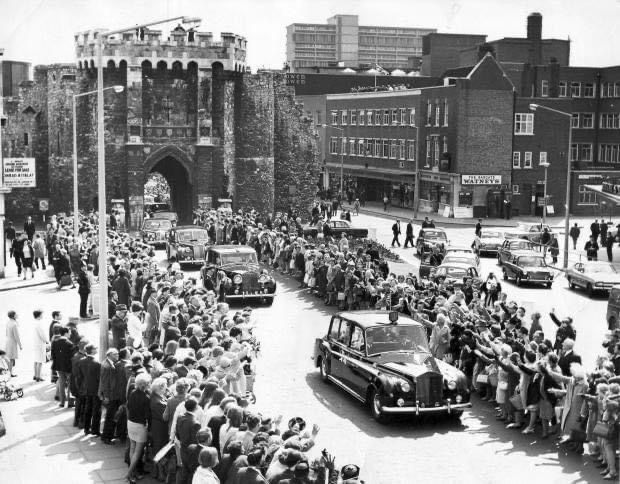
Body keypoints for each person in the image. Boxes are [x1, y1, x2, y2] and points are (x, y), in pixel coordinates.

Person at [126, 373, 151, 484]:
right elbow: (147, 415)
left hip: (130, 423)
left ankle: (132, 473)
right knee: (138, 452)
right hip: (140, 426)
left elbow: (128, 406)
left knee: (132, 449)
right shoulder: (146, 398)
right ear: (145, 385)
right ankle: (129, 474)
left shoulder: (132, 393)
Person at [77, 344, 102, 436]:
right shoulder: (97, 363)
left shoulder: (81, 361)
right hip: (95, 390)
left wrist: (81, 387)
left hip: (86, 389)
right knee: (97, 410)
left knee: (87, 409)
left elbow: (79, 377)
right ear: (92, 351)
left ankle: (86, 428)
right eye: (95, 348)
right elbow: (99, 379)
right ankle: (95, 430)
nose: (97, 349)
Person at [98, 348, 122, 444]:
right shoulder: (108, 366)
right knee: (110, 417)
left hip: (111, 395)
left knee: (110, 416)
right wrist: (106, 396)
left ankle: (107, 435)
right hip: (111, 396)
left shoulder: (107, 363)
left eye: (117, 354)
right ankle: (107, 437)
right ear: (109, 355)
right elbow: (105, 383)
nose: (117, 355)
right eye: (115, 354)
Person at [51, 326, 74, 405]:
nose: (70, 334)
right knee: (71, 384)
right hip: (68, 367)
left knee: (61, 383)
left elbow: (53, 355)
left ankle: (62, 402)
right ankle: (70, 401)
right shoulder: (69, 343)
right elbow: (72, 357)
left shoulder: (55, 342)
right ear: (66, 333)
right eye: (69, 332)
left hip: (59, 366)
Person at [32, 309, 48, 383]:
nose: (42, 315)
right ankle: (38, 376)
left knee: (36, 360)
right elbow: (42, 335)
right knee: (40, 361)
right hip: (40, 344)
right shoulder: (39, 324)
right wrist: (47, 341)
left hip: (35, 343)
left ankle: (35, 375)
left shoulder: (34, 323)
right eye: (41, 314)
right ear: (39, 315)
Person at [5, 310, 22, 377]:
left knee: (9, 358)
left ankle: (9, 372)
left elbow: (6, 333)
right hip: (12, 342)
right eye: (16, 314)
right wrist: (20, 345)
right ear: (13, 315)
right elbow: (16, 336)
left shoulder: (8, 323)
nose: (17, 315)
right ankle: (10, 373)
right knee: (11, 359)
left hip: (8, 341)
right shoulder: (14, 324)